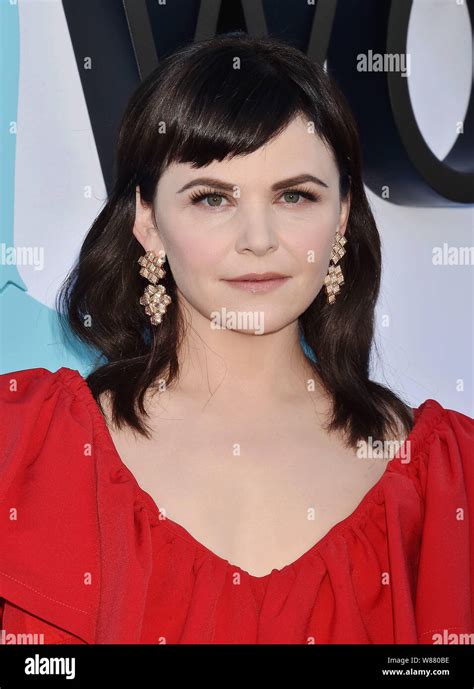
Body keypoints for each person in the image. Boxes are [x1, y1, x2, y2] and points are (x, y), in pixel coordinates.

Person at [0, 33, 472, 645]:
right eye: (213, 198)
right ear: (148, 220)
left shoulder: (447, 481)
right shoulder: (27, 448)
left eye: (295, 195)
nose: (258, 238)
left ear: (344, 216)